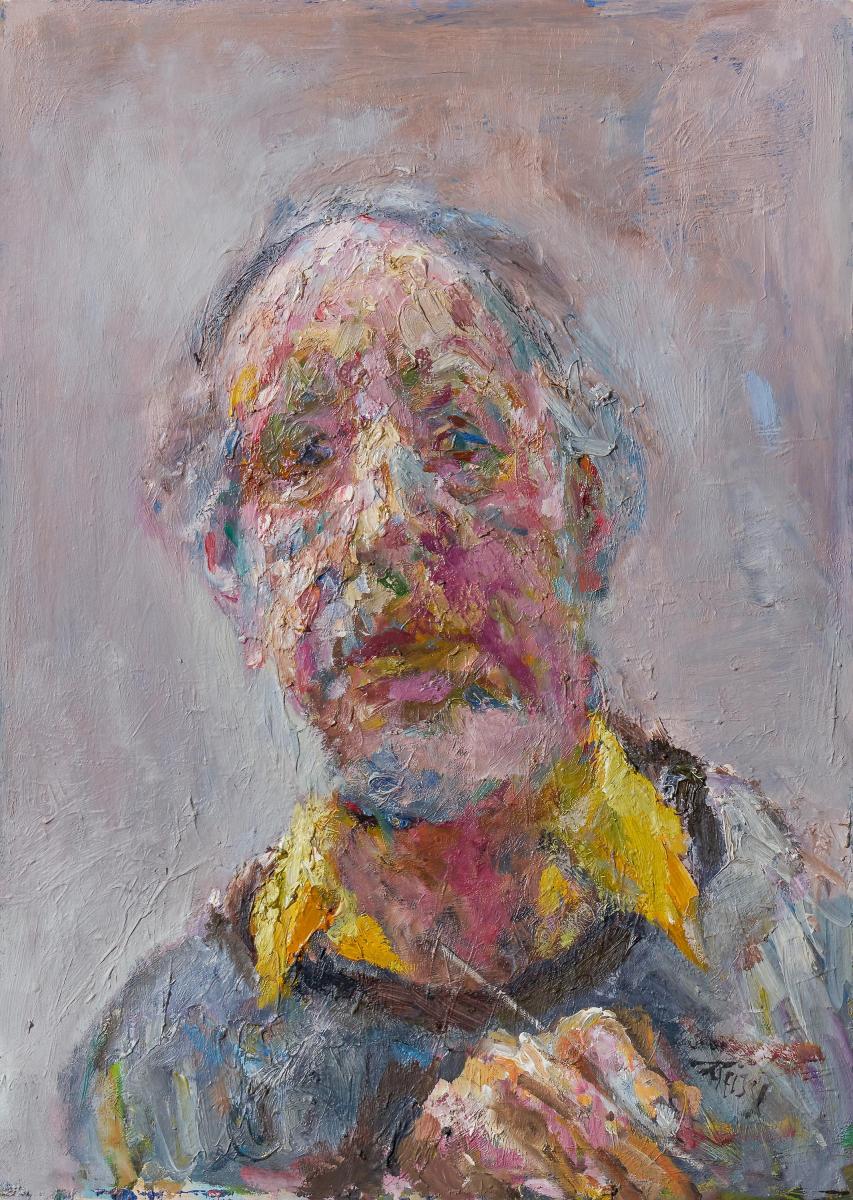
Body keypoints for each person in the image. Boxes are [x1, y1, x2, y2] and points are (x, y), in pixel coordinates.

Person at [67, 202, 852, 1199]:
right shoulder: (164, 1077)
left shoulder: (806, 958)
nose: (388, 524)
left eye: (461, 437)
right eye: (303, 456)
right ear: (235, 568)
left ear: (584, 508)